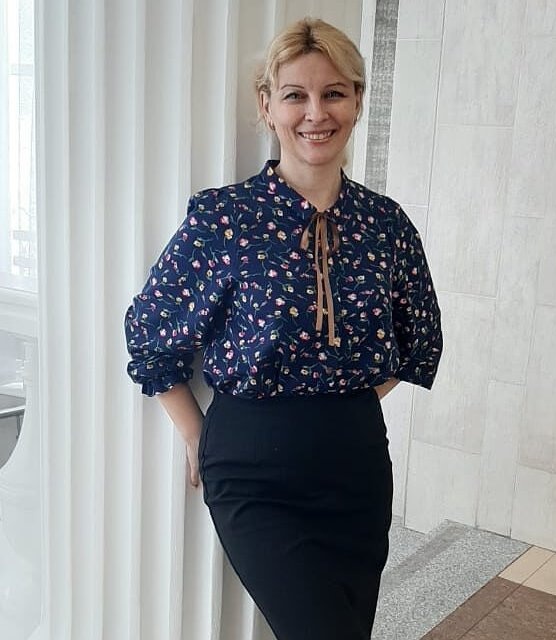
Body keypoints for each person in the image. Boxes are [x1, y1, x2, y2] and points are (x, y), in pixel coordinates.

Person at [124, 16, 442, 640]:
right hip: (253, 472)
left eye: (334, 93)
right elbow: (150, 333)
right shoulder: (224, 219)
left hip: (355, 469)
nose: (316, 113)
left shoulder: (386, 225)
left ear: (357, 102)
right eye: (296, 95)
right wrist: (197, 433)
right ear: (267, 106)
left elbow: (420, 337)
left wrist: (343, 403)